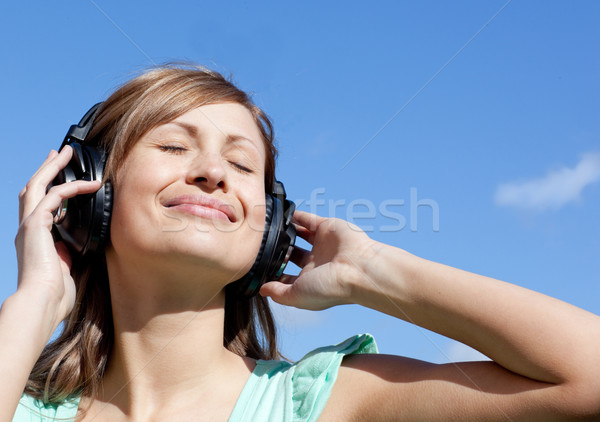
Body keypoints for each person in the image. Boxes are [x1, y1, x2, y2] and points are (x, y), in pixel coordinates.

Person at [2, 64, 600, 421]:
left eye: (242, 165)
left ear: (271, 229)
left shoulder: (322, 402)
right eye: (174, 147)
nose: (213, 172)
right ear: (85, 194)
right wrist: (34, 300)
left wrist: (376, 273)